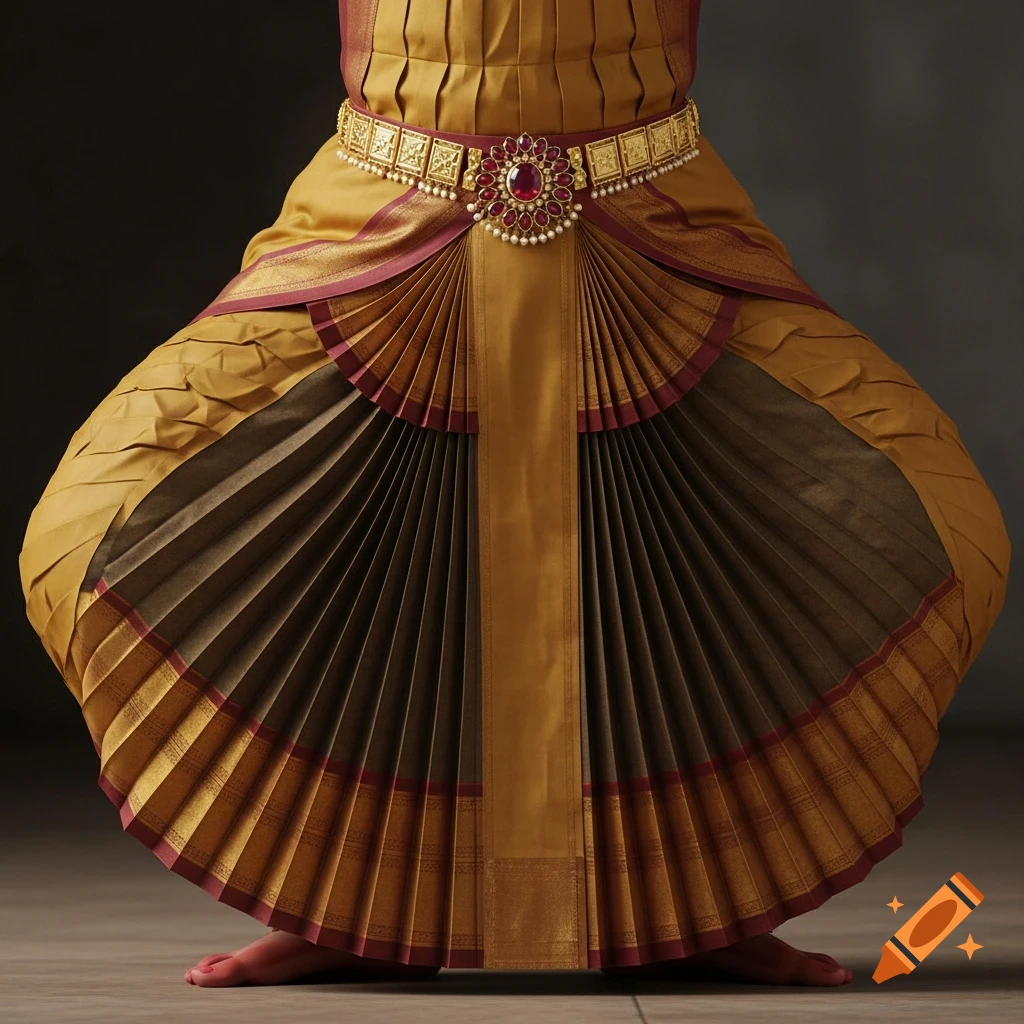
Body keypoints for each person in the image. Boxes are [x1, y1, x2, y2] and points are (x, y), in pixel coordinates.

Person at [20, 0, 1009, 991]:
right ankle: (357, 913)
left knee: (940, 527)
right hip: (379, 215)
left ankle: (699, 914)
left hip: (654, 215)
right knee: (88, 530)